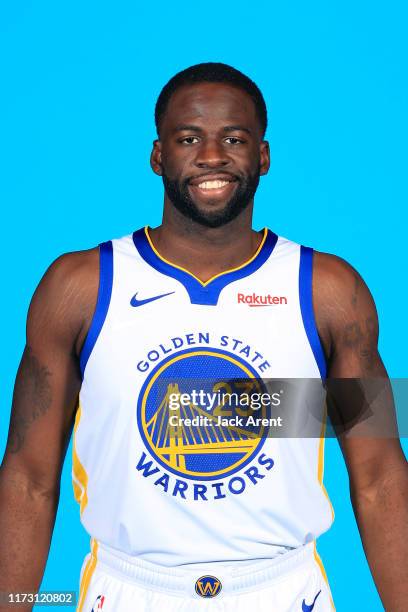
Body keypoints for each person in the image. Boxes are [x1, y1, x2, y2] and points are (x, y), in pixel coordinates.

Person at [0, 62, 407, 612]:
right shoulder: (80, 287)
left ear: (262, 156)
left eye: (233, 139)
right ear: (158, 156)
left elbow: (381, 475)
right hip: (128, 588)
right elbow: (28, 477)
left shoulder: (330, 291)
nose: (212, 156)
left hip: (284, 591)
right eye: (189, 138)